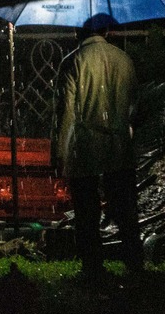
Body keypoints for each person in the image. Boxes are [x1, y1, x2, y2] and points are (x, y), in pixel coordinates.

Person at [52, 18, 144, 281]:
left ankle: (93, 265)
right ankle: (134, 262)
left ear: (76, 30)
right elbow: (133, 107)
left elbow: (66, 113)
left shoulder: (73, 61)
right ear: (107, 30)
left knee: (87, 209)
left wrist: (60, 152)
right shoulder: (124, 59)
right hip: (119, 146)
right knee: (126, 207)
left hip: (86, 147)